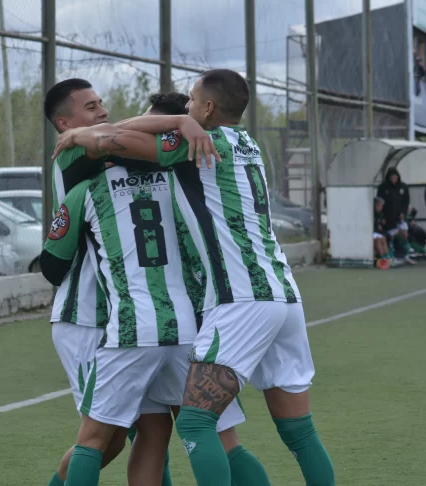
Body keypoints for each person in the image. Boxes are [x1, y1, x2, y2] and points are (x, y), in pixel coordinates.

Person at [53, 68, 334, 486]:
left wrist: (82, 135)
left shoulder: (194, 144)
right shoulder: (248, 143)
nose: (185, 108)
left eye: (190, 101)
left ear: (206, 108)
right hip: (284, 294)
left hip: (238, 299)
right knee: (296, 431)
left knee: (194, 426)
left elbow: (113, 138)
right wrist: (179, 119)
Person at [44, 91, 266, 486]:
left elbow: (52, 264)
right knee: (192, 434)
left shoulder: (87, 189)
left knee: (97, 441)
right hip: (186, 326)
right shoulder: (183, 187)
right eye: (92, 107)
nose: (110, 118)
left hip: (127, 325)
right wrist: (180, 122)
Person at [376, 167, 414, 264]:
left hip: (400, 216)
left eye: (395, 177)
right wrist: (382, 217)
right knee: (391, 236)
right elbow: (379, 203)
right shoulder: (383, 187)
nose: (393, 179)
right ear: (388, 178)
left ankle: (406, 255)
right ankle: (392, 257)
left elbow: (406, 202)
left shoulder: (403, 187)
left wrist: (403, 213)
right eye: (391, 177)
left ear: (398, 177)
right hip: (388, 217)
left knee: (404, 234)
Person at [373, 197, 390, 270]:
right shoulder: (371, 213)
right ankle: (382, 258)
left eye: (381, 206)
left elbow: (380, 225)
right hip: (370, 232)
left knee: (383, 239)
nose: (380, 208)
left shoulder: (380, 214)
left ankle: (386, 257)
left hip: (376, 232)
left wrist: (381, 224)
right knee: (378, 239)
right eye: (378, 205)